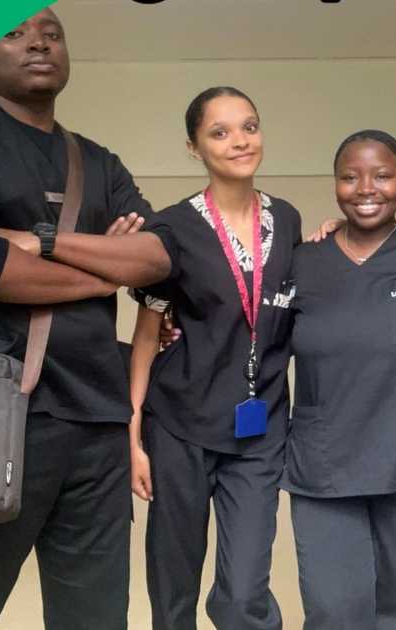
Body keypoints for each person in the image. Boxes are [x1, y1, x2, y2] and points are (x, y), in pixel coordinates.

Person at [0, 8, 169, 630]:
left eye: (50, 32)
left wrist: (31, 241)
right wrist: (106, 269)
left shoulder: (97, 162)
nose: (37, 42)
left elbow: (155, 258)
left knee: (96, 616)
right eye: (13, 32)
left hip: (95, 422)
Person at [127, 86, 302, 630]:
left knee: (246, 586)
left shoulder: (288, 220)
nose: (239, 141)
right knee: (173, 575)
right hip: (181, 423)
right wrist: (133, 436)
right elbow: (147, 333)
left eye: (249, 126)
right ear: (194, 146)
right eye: (220, 132)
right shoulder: (173, 228)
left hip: (260, 422)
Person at [284, 130, 396, 630]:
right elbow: (249, 334)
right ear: (335, 185)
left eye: (382, 175)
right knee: (335, 613)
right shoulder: (302, 261)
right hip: (324, 468)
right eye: (350, 177)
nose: (366, 188)